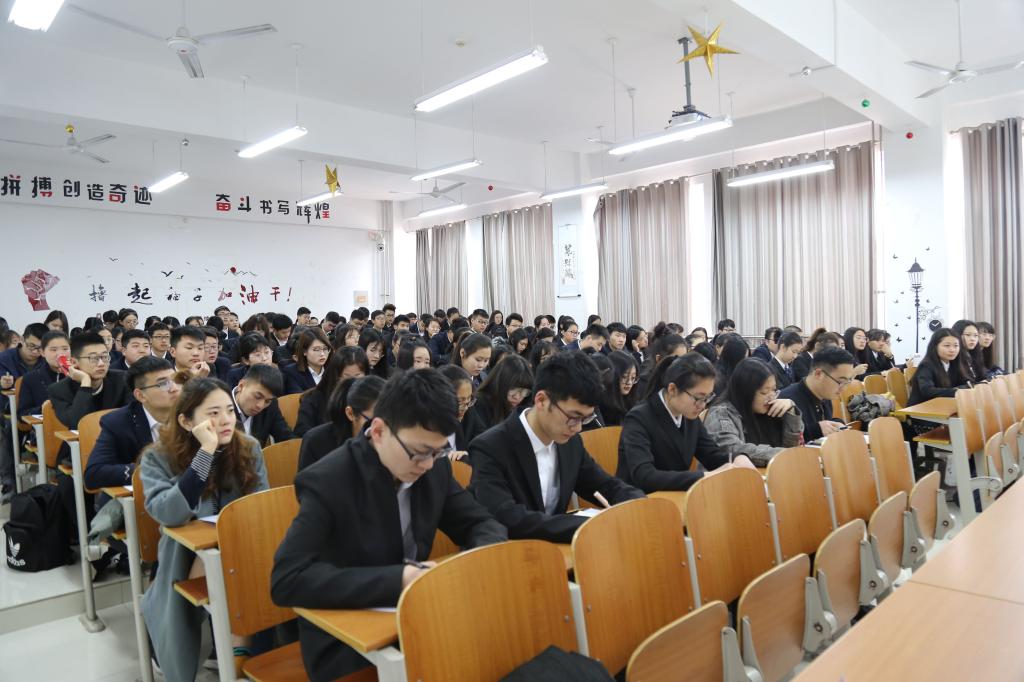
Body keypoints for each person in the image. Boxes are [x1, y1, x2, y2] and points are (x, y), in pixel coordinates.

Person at [271, 368, 506, 680]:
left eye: (438, 451)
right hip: (347, 638)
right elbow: (288, 580)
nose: (427, 464)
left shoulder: (432, 466)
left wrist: (476, 564)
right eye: (419, 453)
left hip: (417, 620)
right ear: (379, 431)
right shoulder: (329, 480)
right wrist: (399, 580)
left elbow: (480, 523)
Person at [141, 378, 268, 682]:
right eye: (213, 413)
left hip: (241, 544)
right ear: (186, 421)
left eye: (229, 410)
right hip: (184, 550)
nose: (226, 420)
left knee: (244, 574)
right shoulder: (158, 456)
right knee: (217, 575)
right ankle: (230, 653)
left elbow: (260, 508)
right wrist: (205, 453)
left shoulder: (248, 447)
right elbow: (168, 513)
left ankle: (237, 655)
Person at [469, 352, 644, 543]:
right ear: (541, 400)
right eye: (573, 417)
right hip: (511, 553)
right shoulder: (490, 447)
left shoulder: (570, 442)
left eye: (585, 418)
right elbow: (509, 518)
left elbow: (604, 485)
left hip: (556, 550)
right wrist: (588, 525)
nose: (578, 428)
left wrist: (638, 504)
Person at [617, 354, 756, 492]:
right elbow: (645, 476)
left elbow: (711, 455)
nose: (703, 405)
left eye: (707, 398)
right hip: (639, 499)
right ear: (672, 389)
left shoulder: (688, 414)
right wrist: (705, 476)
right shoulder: (639, 418)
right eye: (698, 398)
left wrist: (737, 458)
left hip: (674, 496)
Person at [84, 357, 179, 493]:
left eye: (176, 380)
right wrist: (153, 469)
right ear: (141, 396)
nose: (174, 388)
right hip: (138, 497)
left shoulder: (193, 414)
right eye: (163, 384)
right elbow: (94, 474)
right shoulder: (118, 423)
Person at [704, 358, 803, 467]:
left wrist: (791, 412)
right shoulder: (722, 413)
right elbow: (733, 449)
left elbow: (791, 446)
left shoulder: (770, 409)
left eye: (774, 390)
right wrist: (783, 454)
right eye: (764, 392)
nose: (771, 397)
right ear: (745, 392)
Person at [48, 331, 130, 435]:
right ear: (74, 362)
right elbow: (75, 422)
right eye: (93, 358)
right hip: (80, 442)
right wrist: (85, 382)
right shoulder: (59, 390)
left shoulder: (122, 379)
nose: (101, 363)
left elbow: (133, 416)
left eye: (104, 357)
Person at [297, 375, 385, 471]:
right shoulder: (316, 442)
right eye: (373, 422)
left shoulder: (389, 439)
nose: (383, 429)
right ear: (350, 414)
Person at [777, 347, 855, 441]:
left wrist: (836, 423)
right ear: (818, 374)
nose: (844, 388)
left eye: (847, 382)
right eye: (840, 382)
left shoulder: (824, 394)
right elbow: (786, 443)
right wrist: (816, 430)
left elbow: (824, 422)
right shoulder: (788, 401)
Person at [294, 347, 370, 437]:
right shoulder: (313, 399)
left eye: (358, 377)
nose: (352, 383)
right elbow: (303, 434)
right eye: (346, 377)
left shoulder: (372, 398)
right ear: (335, 376)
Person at [463, 354, 533, 441]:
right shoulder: (478, 403)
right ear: (500, 383)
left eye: (524, 392)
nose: (517, 397)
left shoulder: (523, 409)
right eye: (513, 390)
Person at [231, 364, 295, 446]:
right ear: (241, 386)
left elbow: (286, 437)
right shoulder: (220, 406)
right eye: (257, 397)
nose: (260, 406)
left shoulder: (271, 404)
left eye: (267, 401)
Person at [18, 330, 71, 419]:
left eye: (65, 349)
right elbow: (22, 414)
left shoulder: (79, 375)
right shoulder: (30, 378)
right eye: (53, 350)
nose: (60, 354)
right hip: (44, 426)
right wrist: (43, 409)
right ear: (42, 352)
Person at [908, 329, 969, 405]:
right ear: (935, 346)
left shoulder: (953, 364)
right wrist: (957, 391)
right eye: (947, 346)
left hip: (942, 405)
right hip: (921, 408)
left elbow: (966, 382)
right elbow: (927, 391)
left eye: (956, 346)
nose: (952, 350)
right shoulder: (926, 365)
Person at [282, 328, 333, 394]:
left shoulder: (334, 369)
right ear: (304, 351)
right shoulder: (291, 372)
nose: (322, 354)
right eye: (316, 349)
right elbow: (297, 398)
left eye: (325, 348)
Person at [438, 365, 474, 456]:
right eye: (459, 401)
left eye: (469, 400)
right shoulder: (426, 430)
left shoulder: (466, 416)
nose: (465, 408)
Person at [601, 350, 640, 426]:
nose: (629, 383)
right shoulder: (601, 405)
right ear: (613, 376)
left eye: (633, 378)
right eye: (624, 377)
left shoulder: (633, 402)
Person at [951, 319, 986, 384]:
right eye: (968, 335)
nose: (972, 339)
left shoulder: (973, 355)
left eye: (975, 335)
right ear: (957, 335)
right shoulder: (952, 356)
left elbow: (981, 377)